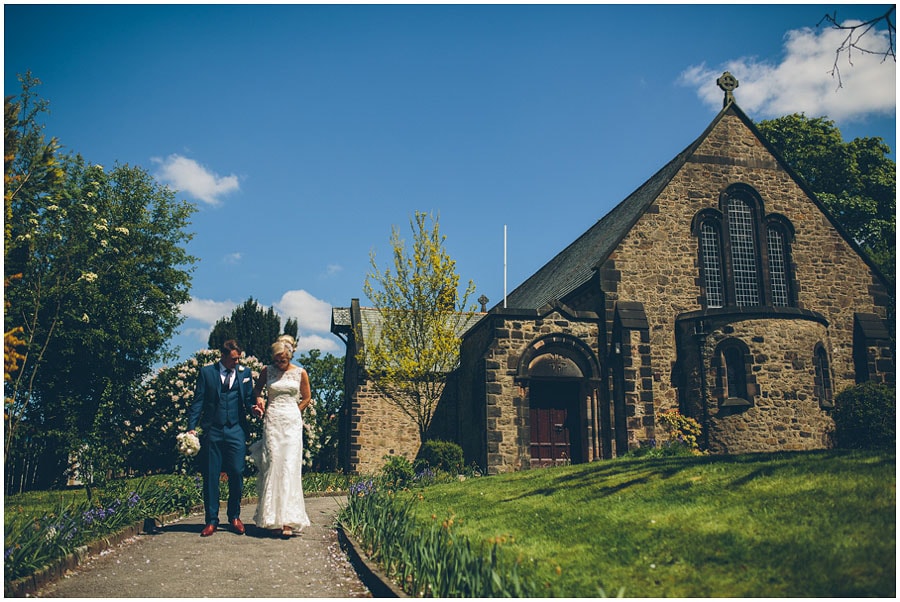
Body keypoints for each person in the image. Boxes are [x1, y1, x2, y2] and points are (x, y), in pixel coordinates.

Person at [188, 339, 259, 537]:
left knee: (236, 472)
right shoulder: (206, 373)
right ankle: (211, 521)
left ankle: (234, 517)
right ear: (224, 356)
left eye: (239, 358)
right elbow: (198, 401)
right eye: (234, 359)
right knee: (211, 476)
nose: (237, 362)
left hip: (236, 430)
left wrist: (254, 409)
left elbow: (247, 400)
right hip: (213, 430)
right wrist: (191, 428)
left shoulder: (244, 374)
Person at [250, 334, 312, 538]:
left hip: (291, 423)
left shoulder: (300, 373)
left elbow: (307, 396)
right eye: (277, 360)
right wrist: (259, 402)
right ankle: (272, 519)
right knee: (273, 464)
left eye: (283, 360)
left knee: (289, 466)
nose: (279, 364)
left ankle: (288, 520)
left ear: (290, 356)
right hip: (273, 420)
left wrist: (296, 410)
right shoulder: (267, 371)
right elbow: (257, 391)